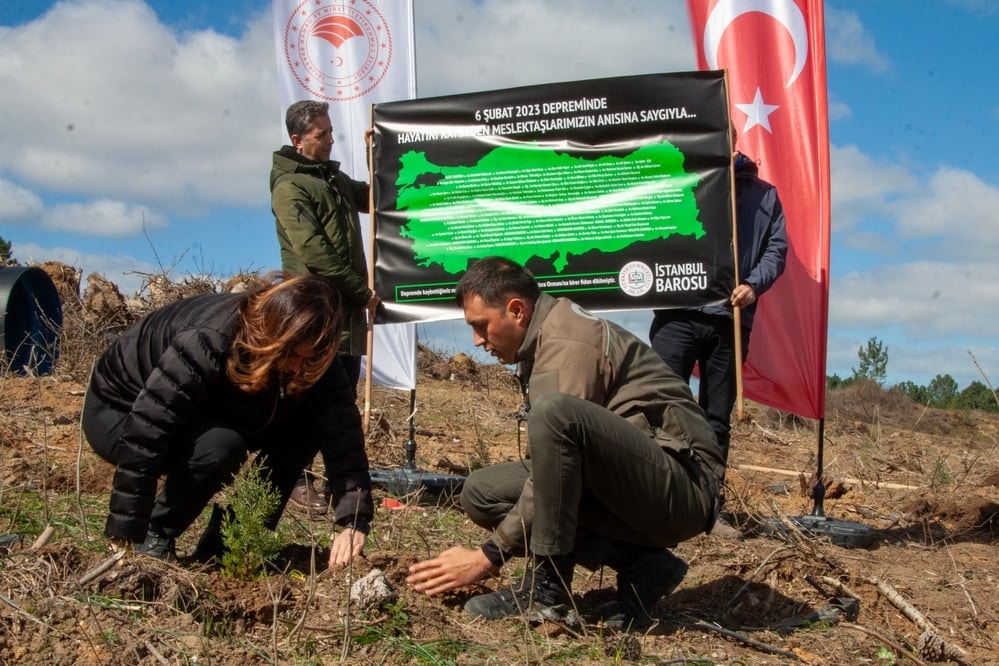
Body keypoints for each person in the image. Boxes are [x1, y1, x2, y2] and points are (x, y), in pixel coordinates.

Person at [406, 257, 725, 630]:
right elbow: (553, 474)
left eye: (481, 326)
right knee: (481, 491)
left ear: (516, 310)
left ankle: (547, 591)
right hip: (639, 484)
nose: (477, 341)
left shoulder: (566, 342)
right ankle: (643, 564)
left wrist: (487, 557)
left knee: (555, 413)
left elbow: (552, 468)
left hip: (684, 489)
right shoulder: (540, 337)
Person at [82, 274, 374, 568]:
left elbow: (342, 432)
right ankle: (155, 533)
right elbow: (148, 428)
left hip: (207, 409)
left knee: (305, 431)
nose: (299, 367)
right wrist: (128, 532)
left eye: (308, 358)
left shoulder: (313, 355)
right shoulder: (210, 336)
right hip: (119, 410)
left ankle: (232, 540)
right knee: (221, 446)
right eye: (292, 355)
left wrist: (354, 520)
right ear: (273, 335)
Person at [649, 131, 787, 473]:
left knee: (716, 418)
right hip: (676, 314)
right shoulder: (676, 181)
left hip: (730, 319)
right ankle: (656, 498)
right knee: (660, 406)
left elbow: (776, 249)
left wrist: (753, 285)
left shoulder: (764, 195)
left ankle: (709, 502)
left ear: (733, 138)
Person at [270, 99, 380, 513]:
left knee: (340, 403)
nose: (331, 140)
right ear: (298, 140)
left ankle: (339, 484)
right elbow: (313, 252)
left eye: (331, 132)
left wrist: (378, 156)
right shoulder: (290, 187)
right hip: (312, 314)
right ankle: (295, 480)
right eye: (322, 135)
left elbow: (375, 200)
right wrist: (361, 290)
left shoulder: (331, 180)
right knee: (305, 401)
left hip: (345, 317)